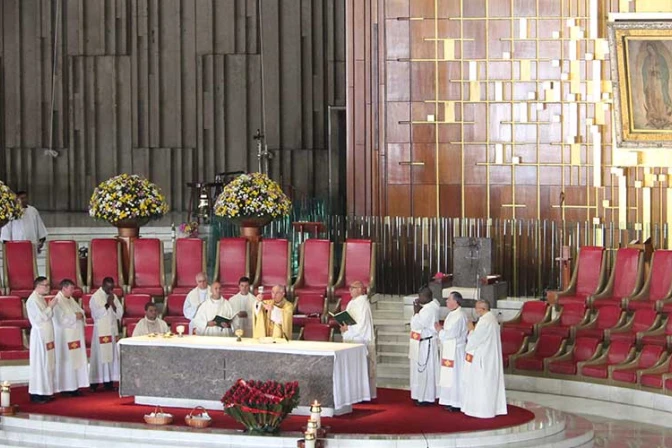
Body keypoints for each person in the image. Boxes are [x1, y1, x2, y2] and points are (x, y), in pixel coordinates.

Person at [461, 299, 507, 419]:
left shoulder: (485, 321)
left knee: (482, 384)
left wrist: (471, 329)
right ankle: (492, 408)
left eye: (477, 308)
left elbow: (474, 340)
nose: (476, 311)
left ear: (483, 309)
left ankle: (482, 410)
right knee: (488, 383)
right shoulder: (491, 319)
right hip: (490, 357)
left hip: (484, 358)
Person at [340, 281, 377, 400]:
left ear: (361, 289)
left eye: (353, 287)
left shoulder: (363, 304)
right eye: (350, 287)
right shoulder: (352, 302)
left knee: (361, 368)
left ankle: (362, 394)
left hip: (360, 339)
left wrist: (348, 328)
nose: (350, 290)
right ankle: (352, 392)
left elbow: (362, 325)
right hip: (351, 337)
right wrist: (344, 326)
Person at [52, 279, 89, 395]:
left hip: (74, 335)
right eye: (71, 289)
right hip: (64, 338)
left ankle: (75, 386)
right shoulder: (57, 301)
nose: (73, 291)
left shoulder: (70, 299)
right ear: (64, 288)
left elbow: (81, 311)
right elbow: (60, 320)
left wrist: (79, 315)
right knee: (67, 362)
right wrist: (75, 317)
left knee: (75, 361)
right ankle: (65, 387)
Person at [435, 291, 468, 412]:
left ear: (456, 301)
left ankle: (456, 402)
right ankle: (449, 400)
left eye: (449, 299)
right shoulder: (452, 314)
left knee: (455, 377)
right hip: (450, 349)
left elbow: (452, 334)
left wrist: (439, 330)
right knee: (449, 377)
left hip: (456, 351)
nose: (447, 301)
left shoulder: (459, 316)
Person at [26, 276, 58, 403]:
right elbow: (40, 318)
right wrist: (50, 306)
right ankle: (36, 393)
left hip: (47, 334)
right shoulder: (32, 300)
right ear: (38, 286)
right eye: (45, 285)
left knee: (47, 363)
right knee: (39, 364)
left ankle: (45, 391)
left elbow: (49, 315)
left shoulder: (40, 299)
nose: (47, 287)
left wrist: (50, 308)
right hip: (39, 336)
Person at [89, 277, 124, 392]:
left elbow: (119, 313)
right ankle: (95, 382)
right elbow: (96, 315)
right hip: (101, 332)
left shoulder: (113, 296)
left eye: (112, 288)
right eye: (108, 288)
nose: (110, 290)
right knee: (100, 357)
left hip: (111, 331)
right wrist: (107, 304)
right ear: (103, 285)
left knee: (110, 357)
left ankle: (108, 382)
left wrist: (113, 303)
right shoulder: (95, 297)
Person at [409, 287, 440, 406]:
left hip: (425, 344)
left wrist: (416, 312)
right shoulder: (428, 307)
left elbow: (417, 324)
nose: (418, 298)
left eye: (421, 296)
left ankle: (425, 397)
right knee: (420, 371)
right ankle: (419, 394)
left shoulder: (429, 310)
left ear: (427, 297)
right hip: (421, 343)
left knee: (424, 370)